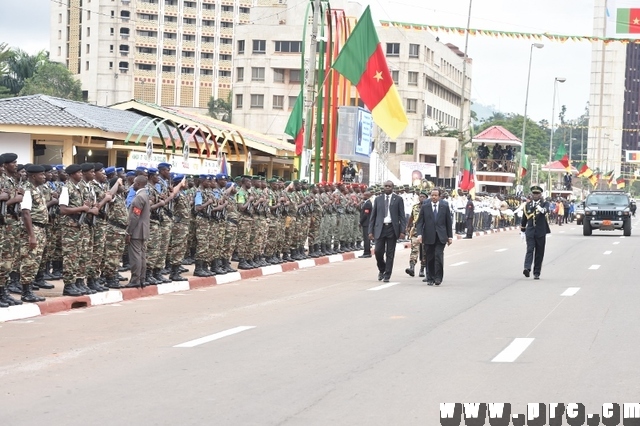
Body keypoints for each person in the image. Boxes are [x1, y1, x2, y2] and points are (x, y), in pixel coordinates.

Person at [368, 181, 406, 282]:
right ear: (383, 187)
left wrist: (403, 231)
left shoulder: (398, 199)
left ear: (393, 188)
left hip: (392, 229)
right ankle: (382, 269)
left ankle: (387, 275)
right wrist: (370, 231)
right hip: (380, 228)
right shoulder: (378, 199)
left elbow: (402, 216)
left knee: (390, 253)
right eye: (386, 186)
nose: (387, 188)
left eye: (389, 186)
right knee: (378, 252)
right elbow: (373, 216)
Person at [415, 188, 453, 286]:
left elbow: (448, 221)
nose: (434, 197)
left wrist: (450, 236)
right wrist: (419, 234)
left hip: (441, 236)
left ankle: (438, 278)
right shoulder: (425, 205)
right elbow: (420, 222)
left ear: (439, 196)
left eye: (436, 195)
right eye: (432, 195)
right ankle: (430, 277)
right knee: (430, 257)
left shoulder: (444, 205)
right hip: (428, 236)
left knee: (438, 256)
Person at [125, 175, 150, 288]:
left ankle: (135, 279)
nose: (133, 185)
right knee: (142, 256)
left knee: (136, 256)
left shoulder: (139, 197)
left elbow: (135, 216)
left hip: (136, 231)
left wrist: (129, 232)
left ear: (139, 184)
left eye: (134, 183)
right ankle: (142, 279)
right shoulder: (145, 195)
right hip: (143, 230)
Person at [521, 185, 551, 280]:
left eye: (537, 193)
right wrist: (522, 230)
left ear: (540, 194)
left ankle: (537, 272)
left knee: (539, 252)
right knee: (530, 249)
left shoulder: (545, 204)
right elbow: (524, 218)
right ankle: (527, 268)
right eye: (534, 193)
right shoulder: (527, 205)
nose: (535, 195)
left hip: (540, 232)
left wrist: (539, 207)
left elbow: (545, 211)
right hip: (530, 231)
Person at [358, 189, 373, 258]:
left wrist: (360, 222)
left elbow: (365, 214)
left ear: (367, 196)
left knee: (366, 239)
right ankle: (367, 252)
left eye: (364, 195)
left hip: (366, 223)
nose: (362, 196)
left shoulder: (367, 203)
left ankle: (366, 252)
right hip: (366, 223)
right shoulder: (366, 202)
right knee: (366, 238)